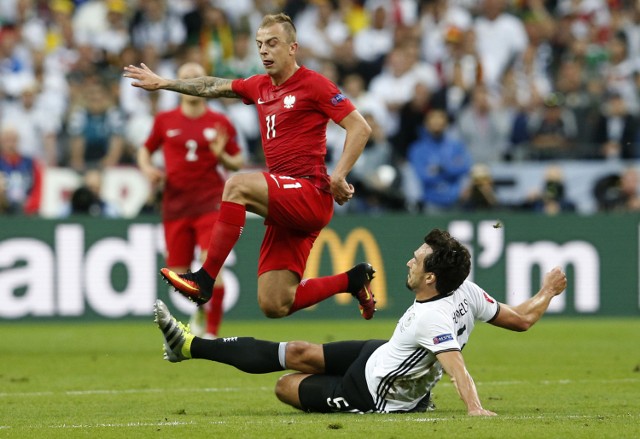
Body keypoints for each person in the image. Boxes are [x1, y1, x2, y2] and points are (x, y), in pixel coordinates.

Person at [153, 228, 568, 415]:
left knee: (284, 387)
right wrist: (547, 291)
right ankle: (188, 346)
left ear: (429, 278)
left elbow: (457, 367)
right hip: (383, 354)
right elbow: (520, 319)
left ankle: (415, 401)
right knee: (296, 350)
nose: (408, 260)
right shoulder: (467, 292)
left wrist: (475, 410)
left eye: (417, 259)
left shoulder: (433, 316)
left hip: (373, 393)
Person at [123, 13, 375, 319]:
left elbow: (359, 127)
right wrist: (166, 84)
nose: (264, 51)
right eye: (259, 45)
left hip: (310, 192)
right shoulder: (259, 86)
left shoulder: (314, 84)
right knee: (274, 303)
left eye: (272, 43)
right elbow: (212, 86)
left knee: (237, 185)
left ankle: (204, 279)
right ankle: (353, 280)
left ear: (292, 47)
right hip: (285, 204)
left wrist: (339, 174)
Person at [138, 61, 244, 339]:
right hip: (175, 206)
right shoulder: (164, 120)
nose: (190, 82)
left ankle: (211, 332)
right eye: (185, 78)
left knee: (210, 263)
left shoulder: (220, 122)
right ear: (178, 84)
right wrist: (148, 169)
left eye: (196, 78)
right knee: (178, 273)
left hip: (210, 203)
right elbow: (144, 151)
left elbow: (238, 161)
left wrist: (221, 155)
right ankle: (200, 308)